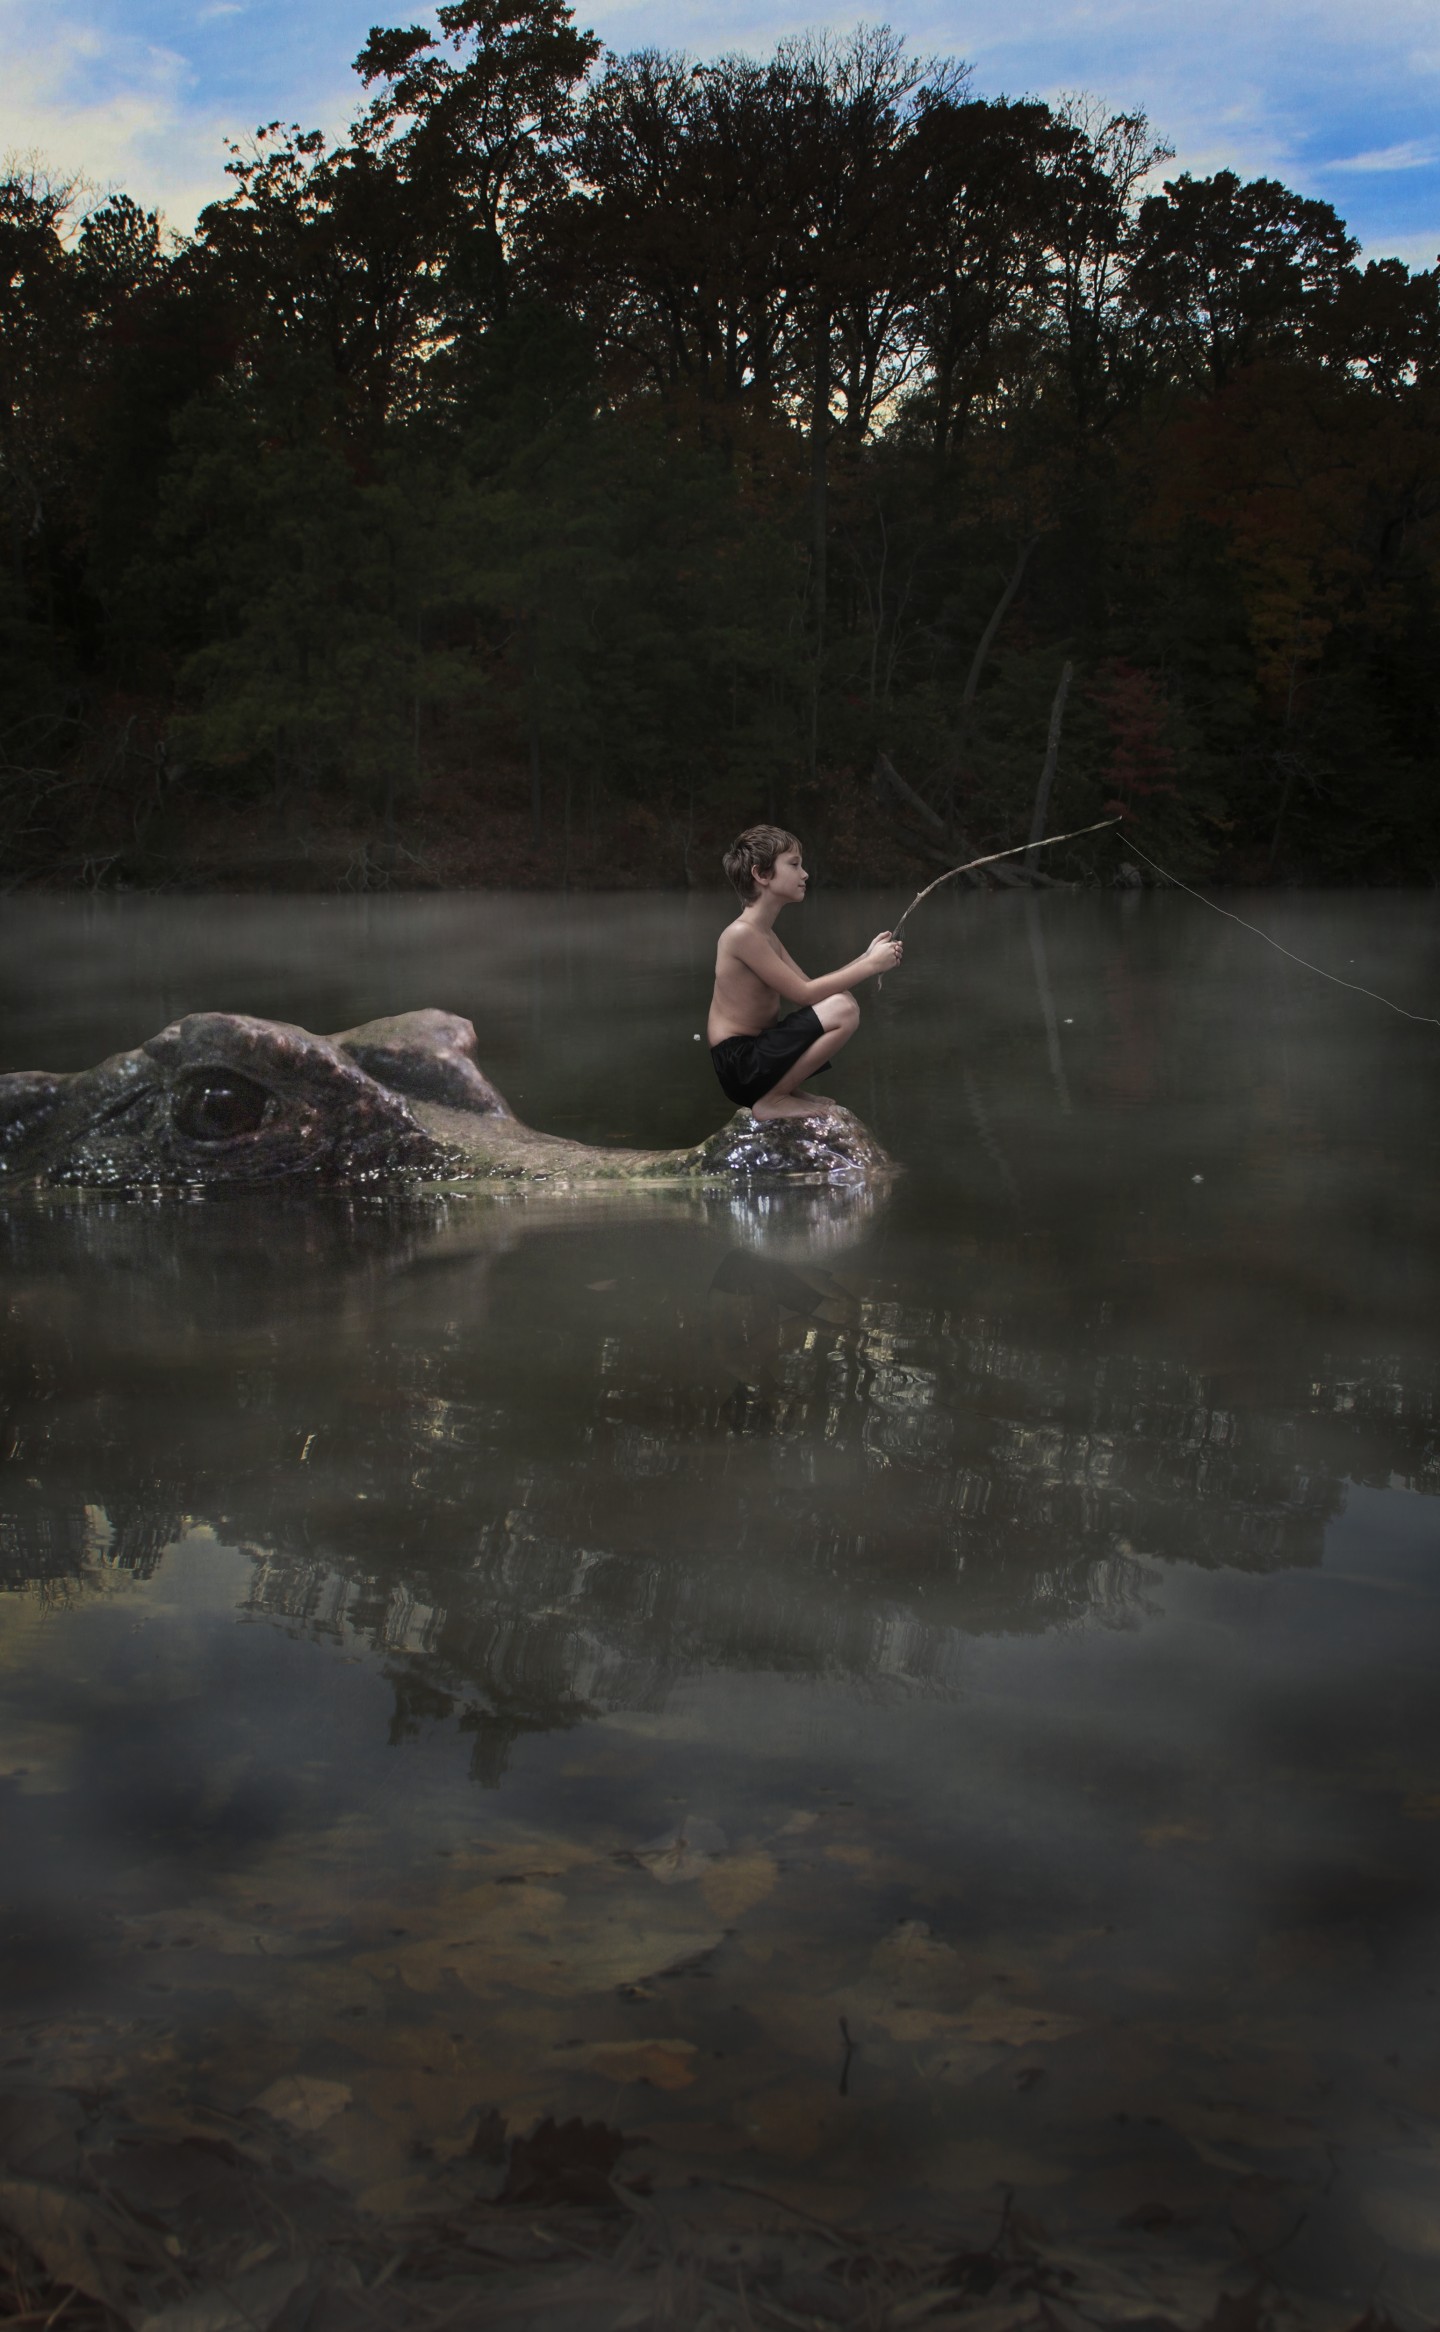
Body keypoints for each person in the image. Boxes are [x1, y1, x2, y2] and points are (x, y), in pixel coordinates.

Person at [706, 825, 902, 1121]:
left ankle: (782, 1090)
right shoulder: (741, 934)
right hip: (740, 1063)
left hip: (756, 1056)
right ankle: (773, 1098)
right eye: (794, 865)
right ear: (762, 875)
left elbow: (809, 989)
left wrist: (865, 956)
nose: (805, 874)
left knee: (839, 1000)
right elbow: (805, 994)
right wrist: (871, 966)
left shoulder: (765, 934)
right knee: (843, 1009)